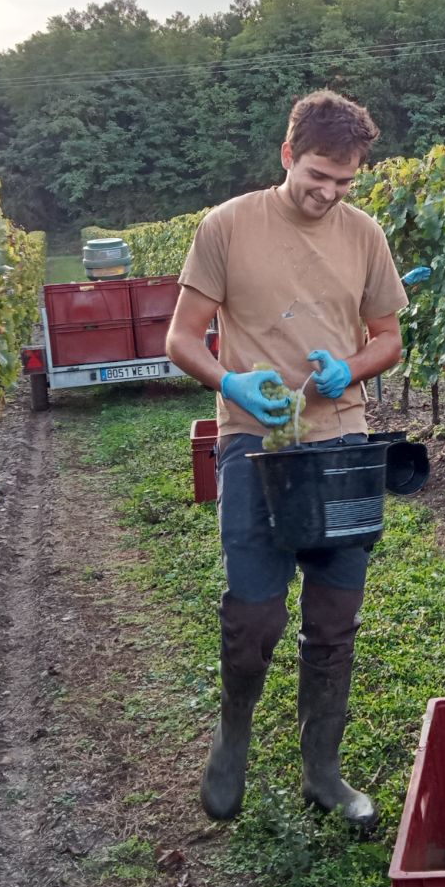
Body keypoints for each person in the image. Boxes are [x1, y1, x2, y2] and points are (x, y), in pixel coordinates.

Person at [165, 89, 409, 834]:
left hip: (340, 445)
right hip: (256, 444)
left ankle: (322, 770)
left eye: (344, 183)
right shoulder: (227, 227)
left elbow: (388, 338)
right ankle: (234, 731)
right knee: (256, 615)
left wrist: (354, 369)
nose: (328, 194)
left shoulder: (364, 236)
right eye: (317, 176)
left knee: (335, 620)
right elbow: (181, 339)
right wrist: (229, 381)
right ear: (286, 155)